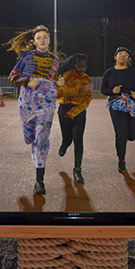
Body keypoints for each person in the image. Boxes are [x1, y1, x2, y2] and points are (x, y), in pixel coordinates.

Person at [6, 25, 60, 195]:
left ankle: (39, 181)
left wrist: (60, 82)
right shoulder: (26, 56)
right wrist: (27, 81)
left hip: (47, 104)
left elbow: (55, 78)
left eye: (45, 37)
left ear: (49, 40)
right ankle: (33, 146)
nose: (42, 40)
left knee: (41, 140)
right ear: (34, 41)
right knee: (29, 138)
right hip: (28, 103)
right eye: (39, 38)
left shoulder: (55, 59)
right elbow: (13, 76)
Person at [101, 46, 135, 174]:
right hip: (116, 104)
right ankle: (121, 161)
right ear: (115, 57)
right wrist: (112, 91)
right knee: (121, 134)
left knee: (132, 135)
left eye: (125, 54)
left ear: (128, 58)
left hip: (132, 104)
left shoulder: (134, 72)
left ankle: (128, 139)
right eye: (120, 54)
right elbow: (103, 89)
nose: (123, 56)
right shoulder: (109, 72)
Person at [55, 53, 92, 184]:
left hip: (79, 112)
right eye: (80, 66)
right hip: (64, 110)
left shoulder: (87, 78)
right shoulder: (67, 75)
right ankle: (65, 144)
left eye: (85, 67)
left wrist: (76, 110)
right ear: (75, 64)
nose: (82, 69)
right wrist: (77, 90)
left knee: (78, 141)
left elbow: (88, 97)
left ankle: (77, 170)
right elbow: (59, 93)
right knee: (68, 138)